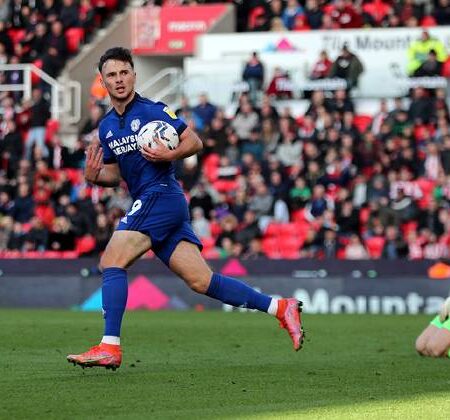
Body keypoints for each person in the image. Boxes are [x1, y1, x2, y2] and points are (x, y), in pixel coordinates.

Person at [67, 47, 305, 371]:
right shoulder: (108, 127)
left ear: (134, 75)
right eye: (112, 75)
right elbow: (118, 174)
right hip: (156, 202)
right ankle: (281, 307)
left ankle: (110, 346)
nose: (119, 80)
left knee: (112, 260)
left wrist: (169, 155)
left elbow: (193, 141)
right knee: (201, 281)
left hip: (161, 194)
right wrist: (95, 176)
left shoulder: (153, 110)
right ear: (103, 81)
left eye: (124, 72)